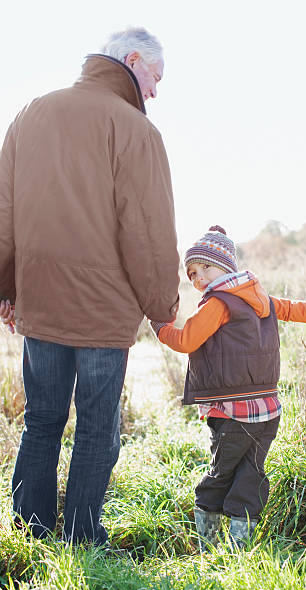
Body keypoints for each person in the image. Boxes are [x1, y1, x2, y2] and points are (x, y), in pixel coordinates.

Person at [0, 26, 180, 545]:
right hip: (104, 313)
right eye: (154, 77)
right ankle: (81, 537)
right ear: (131, 60)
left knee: (41, 421)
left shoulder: (28, 114)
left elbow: (5, 213)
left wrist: (7, 289)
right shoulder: (136, 131)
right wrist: (161, 307)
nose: (154, 92)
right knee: (98, 428)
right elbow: (146, 230)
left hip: (41, 302)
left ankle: (29, 532)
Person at [150, 225, 306, 551]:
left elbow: (186, 340)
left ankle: (207, 549)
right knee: (250, 476)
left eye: (205, 267)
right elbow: (296, 309)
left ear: (226, 267)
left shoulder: (218, 304)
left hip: (232, 414)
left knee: (219, 475)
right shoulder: (260, 298)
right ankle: (239, 551)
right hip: (268, 412)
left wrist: (158, 326)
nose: (198, 277)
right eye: (191, 273)